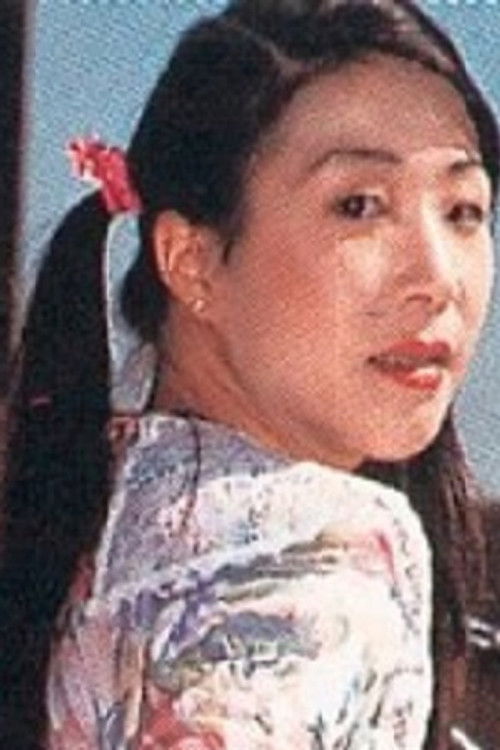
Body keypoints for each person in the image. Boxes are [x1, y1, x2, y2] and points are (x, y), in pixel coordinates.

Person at [1, 0, 498, 747]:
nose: (436, 278)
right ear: (191, 261)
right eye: (360, 206)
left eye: (463, 211)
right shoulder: (321, 549)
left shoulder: (92, 497)